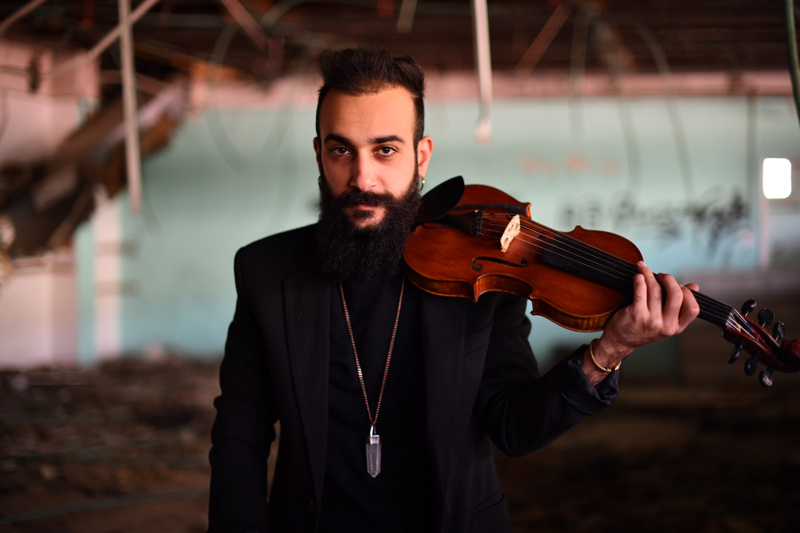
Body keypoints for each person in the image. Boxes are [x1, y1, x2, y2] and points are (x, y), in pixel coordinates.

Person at [208, 47, 700, 533]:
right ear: (319, 154)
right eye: (341, 150)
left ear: (421, 157)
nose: (362, 177)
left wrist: (610, 350)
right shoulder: (264, 270)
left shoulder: (482, 274)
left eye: (385, 150)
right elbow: (239, 434)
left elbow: (514, 427)